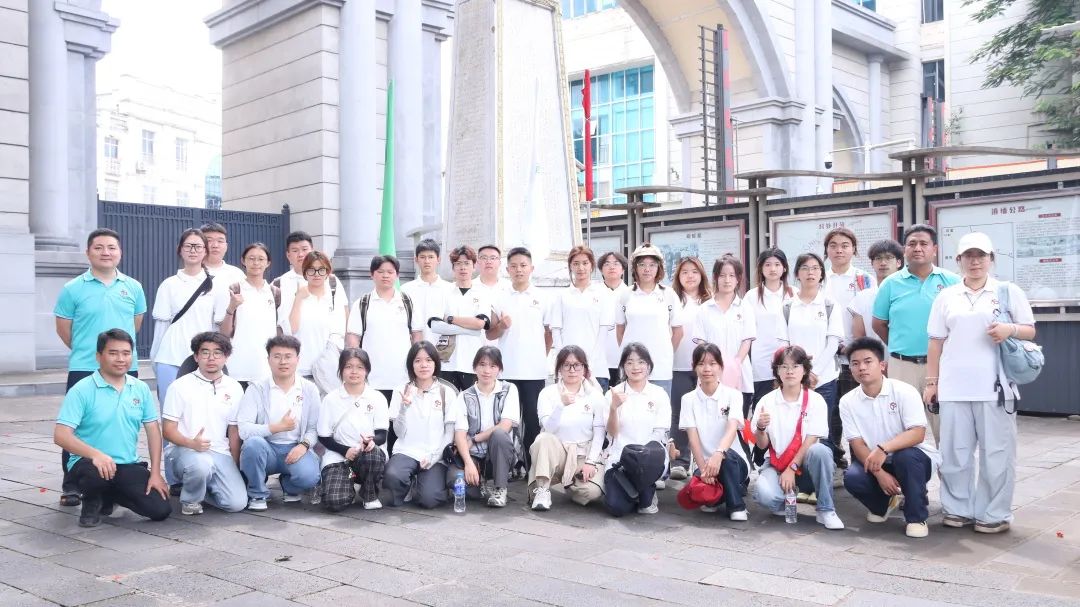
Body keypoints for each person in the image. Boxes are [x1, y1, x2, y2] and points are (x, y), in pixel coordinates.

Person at [925, 232, 1035, 534]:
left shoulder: (1007, 291)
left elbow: (1029, 330)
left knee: (997, 454)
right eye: (969, 256)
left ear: (991, 259)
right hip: (953, 386)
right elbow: (935, 341)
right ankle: (957, 509)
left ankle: (994, 513)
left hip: (996, 387)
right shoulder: (947, 296)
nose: (975, 261)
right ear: (959, 260)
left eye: (981, 255)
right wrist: (932, 382)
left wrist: (1009, 329)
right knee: (954, 453)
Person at [54, 228, 147, 506]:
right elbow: (64, 329)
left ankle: (118, 477)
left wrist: (116, 356)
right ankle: (72, 484)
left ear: (120, 252)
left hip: (124, 367)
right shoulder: (72, 288)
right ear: (88, 252)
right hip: (85, 366)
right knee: (76, 424)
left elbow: (135, 324)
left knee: (123, 422)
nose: (106, 252)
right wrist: (92, 353)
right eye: (99, 247)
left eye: (111, 247)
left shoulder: (133, 287)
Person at [53, 329, 171, 527]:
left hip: (126, 464)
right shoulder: (82, 389)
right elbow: (61, 435)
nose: (120, 359)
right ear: (99, 356)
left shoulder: (140, 388)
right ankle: (92, 502)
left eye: (126, 353)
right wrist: (96, 454)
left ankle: (110, 496)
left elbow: (152, 430)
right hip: (88, 464)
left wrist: (156, 474)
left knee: (160, 509)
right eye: (113, 353)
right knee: (94, 473)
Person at [841, 337, 939, 538]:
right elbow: (857, 444)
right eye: (855, 363)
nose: (862, 368)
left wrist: (883, 449)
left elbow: (917, 433)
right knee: (852, 478)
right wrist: (880, 474)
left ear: (882, 365)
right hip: (876, 461)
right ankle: (883, 504)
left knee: (906, 457)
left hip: (913, 459)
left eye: (868, 361)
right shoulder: (847, 401)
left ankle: (916, 517)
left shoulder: (904, 391)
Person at [872, 224, 960, 443]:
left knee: (946, 430)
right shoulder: (890, 284)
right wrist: (901, 346)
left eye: (923, 244)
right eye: (912, 244)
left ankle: (948, 467)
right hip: (902, 366)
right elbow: (879, 323)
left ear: (934, 249)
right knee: (900, 428)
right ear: (904, 249)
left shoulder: (952, 282)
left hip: (942, 365)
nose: (917, 248)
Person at [751, 346, 844, 530]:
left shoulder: (816, 400)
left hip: (807, 466)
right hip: (777, 464)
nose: (790, 371)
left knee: (821, 451)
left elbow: (811, 439)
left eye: (795, 366)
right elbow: (762, 445)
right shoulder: (767, 401)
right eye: (784, 366)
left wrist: (792, 468)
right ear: (777, 371)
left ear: (805, 370)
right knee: (764, 495)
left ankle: (826, 509)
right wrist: (760, 428)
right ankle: (784, 498)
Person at [162, 332, 247, 515]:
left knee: (236, 504)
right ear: (196, 356)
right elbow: (168, 430)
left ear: (226, 357)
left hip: (219, 451)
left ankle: (202, 488)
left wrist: (234, 464)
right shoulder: (179, 386)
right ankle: (190, 501)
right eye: (205, 352)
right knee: (200, 464)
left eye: (217, 353)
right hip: (186, 450)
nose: (211, 358)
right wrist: (191, 443)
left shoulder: (234, 387)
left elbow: (233, 430)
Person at [235, 335, 322, 510]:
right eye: (277, 356)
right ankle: (257, 494)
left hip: (295, 447)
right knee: (252, 445)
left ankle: (289, 485)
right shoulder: (256, 389)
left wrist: (304, 445)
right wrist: (276, 427)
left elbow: (313, 428)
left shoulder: (309, 389)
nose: (283, 362)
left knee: (309, 477)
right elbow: (244, 429)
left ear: (297, 359)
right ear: (268, 359)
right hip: (266, 449)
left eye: (288, 356)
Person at [779, 252, 845, 471]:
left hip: (823, 379)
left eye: (816, 268)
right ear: (797, 273)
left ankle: (824, 472)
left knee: (823, 427)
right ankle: (798, 471)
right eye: (805, 268)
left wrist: (813, 372)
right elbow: (784, 344)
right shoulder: (787, 306)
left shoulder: (829, 304)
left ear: (822, 274)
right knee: (796, 425)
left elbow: (833, 342)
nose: (810, 272)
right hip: (794, 379)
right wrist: (801, 373)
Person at [346, 255, 421, 450]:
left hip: (402, 378)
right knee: (374, 424)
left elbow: (417, 336)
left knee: (400, 423)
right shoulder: (362, 303)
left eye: (390, 272)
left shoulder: (408, 302)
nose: (385, 276)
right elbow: (353, 339)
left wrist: (417, 370)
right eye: (380, 272)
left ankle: (397, 462)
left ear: (397, 275)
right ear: (372, 275)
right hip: (372, 379)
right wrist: (356, 369)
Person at [486, 247, 550, 465]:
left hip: (534, 371)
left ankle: (532, 466)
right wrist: (501, 327)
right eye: (513, 266)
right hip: (507, 370)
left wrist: (541, 355)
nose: (519, 270)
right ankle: (508, 465)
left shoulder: (543, 297)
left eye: (523, 265)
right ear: (507, 270)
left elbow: (549, 333)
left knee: (532, 420)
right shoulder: (499, 297)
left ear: (531, 268)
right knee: (506, 420)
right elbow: (490, 333)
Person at [677, 342, 750, 521]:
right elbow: (693, 438)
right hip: (705, 466)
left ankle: (737, 506)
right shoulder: (688, 399)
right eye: (701, 364)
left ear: (721, 366)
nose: (707, 369)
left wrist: (719, 454)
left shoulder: (733, 395)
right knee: (705, 498)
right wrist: (703, 468)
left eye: (712, 363)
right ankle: (727, 492)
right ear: (694, 367)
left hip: (733, 461)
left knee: (727, 459)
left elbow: (732, 428)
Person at [529, 345, 607, 511]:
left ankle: (571, 484)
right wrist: (561, 405)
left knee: (590, 493)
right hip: (556, 453)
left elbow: (599, 433)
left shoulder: (595, 395)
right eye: (567, 365)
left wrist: (591, 462)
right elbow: (548, 428)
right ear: (559, 369)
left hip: (582, 454)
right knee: (543, 439)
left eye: (577, 365)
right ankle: (542, 489)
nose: (572, 370)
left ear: (584, 368)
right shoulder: (548, 393)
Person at [383, 342, 458, 509]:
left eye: (428, 360)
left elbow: (449, 433)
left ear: (435, 363)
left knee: (429, 499)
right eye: (418, 360)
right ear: (411, 364)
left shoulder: (446, 392)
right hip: (406, 451)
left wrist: (434, 457)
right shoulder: (401, 390)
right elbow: (398, 433)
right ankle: (407, 484)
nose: (423, 365)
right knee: (393, 476)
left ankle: (425, 483)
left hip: (435, 453)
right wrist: (403, 408)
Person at [447, 346, 521, 508]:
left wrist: (475, 439)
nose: (487, 370)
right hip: (474, 455)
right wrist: (468, 463)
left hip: (501, 454)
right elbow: (460, 433)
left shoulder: (509, 389)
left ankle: (500, 488)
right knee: (455, 480)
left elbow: (505, 425)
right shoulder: (464, 396)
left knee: (499, 434)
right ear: (474, 367)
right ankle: (478, 483)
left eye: (493, 366)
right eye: (482, 364)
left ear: (499, 369)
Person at [316, 348, 389, 512]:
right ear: (341, 370)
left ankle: (369, 493)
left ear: (367, 370)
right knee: (334, 502)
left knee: (374, 454)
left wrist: (370, 442)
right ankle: (346, 485)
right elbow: (323, 436)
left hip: (367, 456)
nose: (354, 371)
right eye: (348, 366)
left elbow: (382, 435)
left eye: (360, 367)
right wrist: (345, 450)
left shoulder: (377, 398)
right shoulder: (330, 399)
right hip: (339, 456)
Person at [150, 228, 216, 403]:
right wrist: (154, 359)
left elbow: (216, 327)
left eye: (198, 246)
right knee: (170, 411)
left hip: (203, 359)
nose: (193, 250)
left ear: (205, 251)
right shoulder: (168, 284)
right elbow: (161, 327)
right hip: (170, 357)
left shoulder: (215, 286)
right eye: (188, 246)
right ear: (180, 250)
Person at [604, 343, 670, 515]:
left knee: (645, 508)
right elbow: (612, 433)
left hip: (648, 459)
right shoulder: (613, 393)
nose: (635, 367)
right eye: (630, 362)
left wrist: (642, 456)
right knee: (617, 508)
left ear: (648, 365)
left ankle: (647, 492)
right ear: (623, 366)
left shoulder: (659, 393)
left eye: (641, 362)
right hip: (620, 459)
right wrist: (613, 408)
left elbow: (659, 433)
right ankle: (634, 492)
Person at [615, 244, 682, 396]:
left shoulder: (668, 294)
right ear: (635, 268)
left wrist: (665, 352)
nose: (647, 269)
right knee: (628, 407)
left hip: (660, 366)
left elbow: (678, 331)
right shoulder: (625, 295)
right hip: (632, 368)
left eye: (652, 265)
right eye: (642, 265)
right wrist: (629, 356)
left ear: (659, 268)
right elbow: (620, 331)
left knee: (660, 407)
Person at [667, 256, 710, 479]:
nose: (690, 276)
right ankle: (680, 461)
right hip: (678, 364)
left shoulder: (710, 301)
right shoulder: (672, 299)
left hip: (706, 367)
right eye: (684, 272)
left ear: (701, 274)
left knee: (707, 413)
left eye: (694, 271)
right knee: (679, 413)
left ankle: (704, 460)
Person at [550, 246, 614, 391]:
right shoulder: (562, 296)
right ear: (570, 266)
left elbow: (603, 331)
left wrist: (589, 363)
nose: (581, 268)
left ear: (592, 265)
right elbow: (556, 331)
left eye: (585, 263)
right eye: (576, 263)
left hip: (596, 369)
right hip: (568, 370)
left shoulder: (603, 294)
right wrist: (564, 361)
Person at [822, 228, 876, 400]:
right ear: (826, 250)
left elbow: (870, 316)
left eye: (845, 246)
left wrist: (855, 346)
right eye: (833, 246)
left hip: (855, 357)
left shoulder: (864, 279)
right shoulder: (819, 279)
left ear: (853, 249)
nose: (839, 250)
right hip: (824, 358)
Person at [217, 243, 278, 388]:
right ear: (243, 261)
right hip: (237, 368)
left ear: (268, 263)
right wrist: (232, 307)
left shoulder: (275, 292)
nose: (256, 263)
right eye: (251, 258)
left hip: (267, 370)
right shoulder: (234, 290)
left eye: (261, 259)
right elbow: (224, 333)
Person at [281, 251, 348, 380]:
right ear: (305, 272)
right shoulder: (295, 297)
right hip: (300, 370)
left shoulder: (333, 297)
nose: (316, 274)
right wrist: (298, 299)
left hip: (328, 370)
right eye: (311, 270)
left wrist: (326, 360)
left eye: (321, 270)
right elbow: (291, 329)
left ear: (327, 272)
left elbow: (339, 333)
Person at [438, 245, 494, 391]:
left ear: (474, 266)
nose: (462, 268)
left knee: (473, 401)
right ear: (453, 267)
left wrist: (450, 319)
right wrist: (469, 327)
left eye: (467, 263)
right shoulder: (444, 292)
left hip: (473, 359)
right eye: (458, 264)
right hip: (447, 362)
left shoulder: (483, 293)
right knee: (448, 402)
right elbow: (436, 325)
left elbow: (480, 324)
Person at [401, 239, 459, 345]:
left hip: (442, 349)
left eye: (431, 257)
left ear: (438, 259)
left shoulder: (450, 289)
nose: (427, 261)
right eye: (422, 257)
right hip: (413, 348)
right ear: (416, 259)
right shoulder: (405, 290)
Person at [849, 239, 904, 349]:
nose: (883, 263)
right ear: (872, 264)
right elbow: (859, 338)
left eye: (888, 258)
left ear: (899, 262)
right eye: (878, 258)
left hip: (904, 356)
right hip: (874, 357)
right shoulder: (861, 297)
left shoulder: (908, 294)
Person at [598, 251, 630, 386]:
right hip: (598, 360)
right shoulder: (594, 293)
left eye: (616, 264)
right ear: (601, 270)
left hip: (623, 359)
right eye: (607, 264)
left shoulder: (631, 293)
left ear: (623, 269)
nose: (611, 267)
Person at [473, 244, 510, 346]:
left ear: (500, 262)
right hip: (476, 347)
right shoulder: (470, 288)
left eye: (493, 258)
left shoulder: (509, 288)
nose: (488, 261)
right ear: (477, 262)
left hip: (504, 347)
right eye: (484, 258)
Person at [200, 222, 247, 294]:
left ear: (226, 246)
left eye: (220, 241)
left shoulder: (237, 274)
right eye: (209, 241)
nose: (215, 245)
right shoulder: (192, 272)